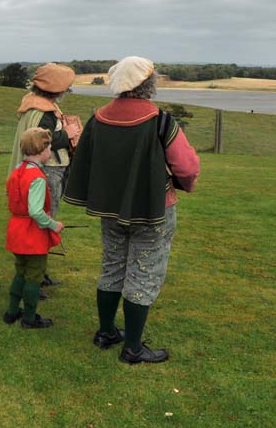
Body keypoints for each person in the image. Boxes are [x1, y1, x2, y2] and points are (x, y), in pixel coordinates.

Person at [63, 56, 200, 364]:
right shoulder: (161, 120)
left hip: (110, 209)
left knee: (112, 265)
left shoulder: (98, 119)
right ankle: (133, 348)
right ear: (149, 85)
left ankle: (107, 332)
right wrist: (183, 184)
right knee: (144, 270)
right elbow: (187, 167)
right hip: (154, 210)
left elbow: (85, 159)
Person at [9, 63, 80, 290]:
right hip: (48, 171)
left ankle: (38, 273)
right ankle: (35, 277)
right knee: (42, 223)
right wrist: (67, 134)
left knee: (39, 223)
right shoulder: (44, 112)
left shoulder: (33, 104)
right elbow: (42, 142)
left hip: (42, 171)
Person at [3, 127, 64, 329]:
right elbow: (36, 211)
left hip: (16, 230)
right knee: (34, 276)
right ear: (42, 149)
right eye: (50, 148)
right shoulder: (37, 177)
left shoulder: (17, 171)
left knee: (20, 271)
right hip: (32, 233)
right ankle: (29, 317)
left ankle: (12, 312)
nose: (50, 152)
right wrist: (54, 225)